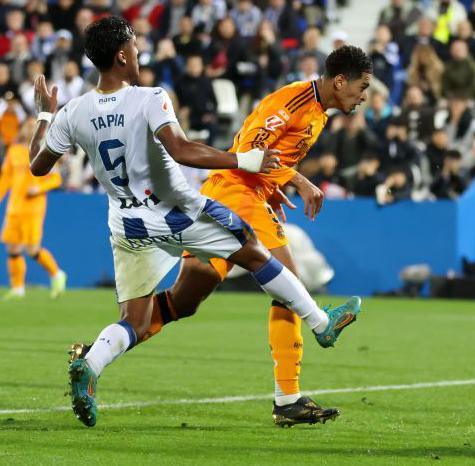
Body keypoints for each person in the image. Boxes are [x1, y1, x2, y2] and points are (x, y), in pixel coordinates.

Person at [29, 17, 361, 428]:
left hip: (125, 224)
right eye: (134, 46)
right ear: (121, 55)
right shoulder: (150, 97)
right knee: (255, 252)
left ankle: (90, 364)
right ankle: (321, 323)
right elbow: (182, 150)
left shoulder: (73, 112)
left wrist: (45, 115)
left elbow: (38, 165)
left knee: (136, 319)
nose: (138, 52)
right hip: (175, 211)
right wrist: (245, 160)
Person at [0, 118, 67, 300]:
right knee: (12, 248)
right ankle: (18, 288)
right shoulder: (14, 151)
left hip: (33, 208)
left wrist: (38, 188)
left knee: (32, 249)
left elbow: (56, 179)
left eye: (34, 126)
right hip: (14, 207)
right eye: (28, 126)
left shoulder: (43, 151)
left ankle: (56, 274)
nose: (30, 129)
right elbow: (5, 179)